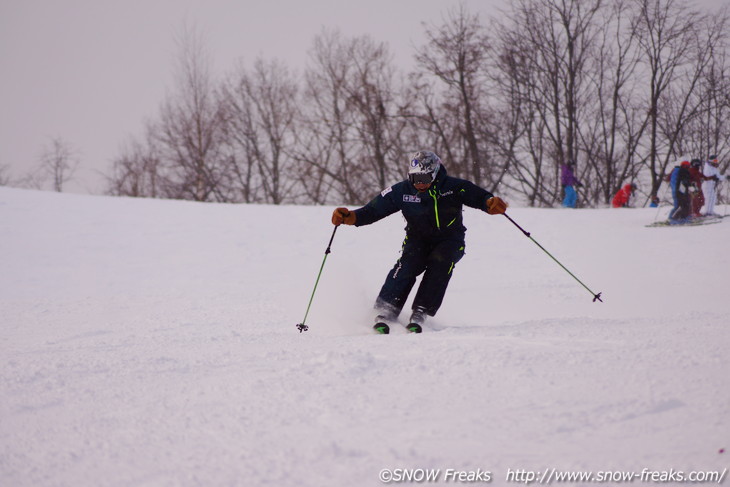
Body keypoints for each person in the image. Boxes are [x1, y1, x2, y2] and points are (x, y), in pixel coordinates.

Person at [331, 150, 508, 334]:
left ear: (434, 173)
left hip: (450, 239)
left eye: (424, 177)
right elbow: (370, 212)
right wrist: (349, 217)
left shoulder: (455, 186)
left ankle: (421, 311)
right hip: (417, 239)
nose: (420, 183)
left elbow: (480, 197)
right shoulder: (401, 191)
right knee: (408, 264)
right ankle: (386, 309)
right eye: (415, 178)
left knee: (441, 262)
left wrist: (490, 203)